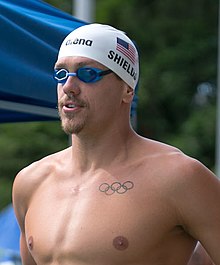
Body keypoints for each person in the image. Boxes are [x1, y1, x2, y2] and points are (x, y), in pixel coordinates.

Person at [12, 23, 220, 265]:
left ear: (127, 89)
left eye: (87, 73)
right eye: (61, 74)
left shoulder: (178, 177)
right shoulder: (31, 182)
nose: (68, 86)